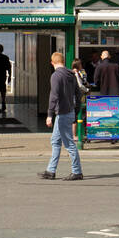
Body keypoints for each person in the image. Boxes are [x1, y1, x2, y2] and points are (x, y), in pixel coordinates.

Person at [41, 52, 83, 181]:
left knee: (69, 143)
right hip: (69, 111)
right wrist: (75, 112)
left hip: (62, 113)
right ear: (63, 61)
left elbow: (54, 96)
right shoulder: (71, 75)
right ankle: (51, 170)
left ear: (52, 62)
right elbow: (78, 93)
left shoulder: (56, 76)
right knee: (55, 141)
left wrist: (49, 114)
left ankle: (77, 171)